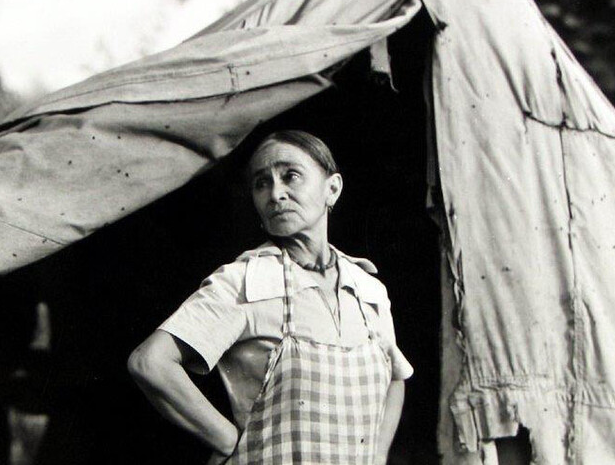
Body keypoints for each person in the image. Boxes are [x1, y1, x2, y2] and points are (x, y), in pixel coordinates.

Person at [128, 130, 413, 464]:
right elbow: (151, 362)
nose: (276, 194)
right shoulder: (245, 282)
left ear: (332, 189)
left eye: (291, 176)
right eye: (262, 183)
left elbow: (396, 375)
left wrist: (376, 455)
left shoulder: (367, 289)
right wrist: (228, 439)